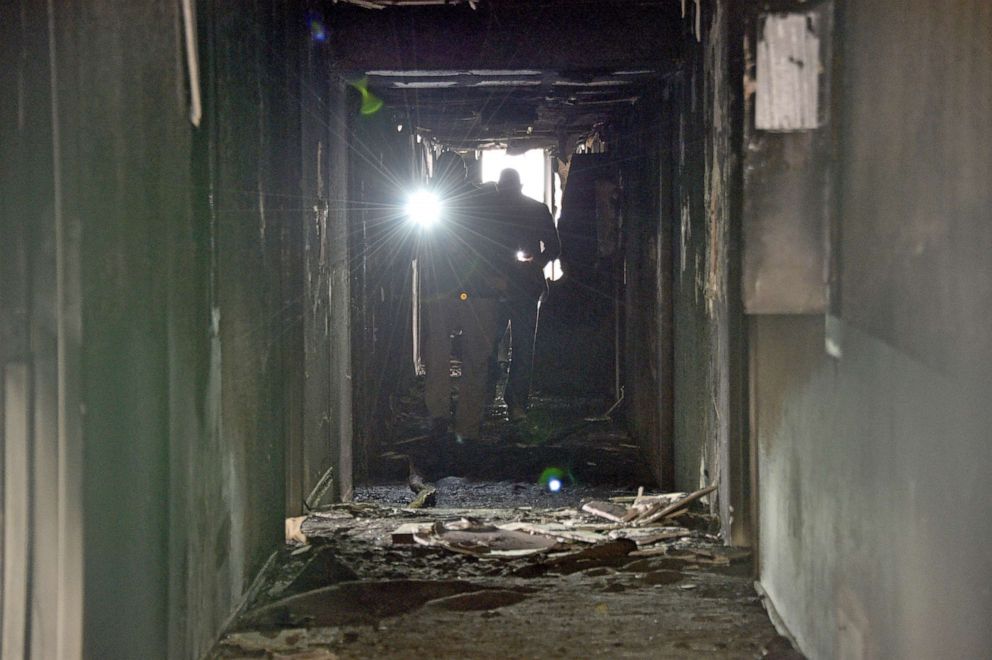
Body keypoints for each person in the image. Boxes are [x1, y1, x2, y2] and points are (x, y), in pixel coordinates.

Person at [419, 151, 508, 442]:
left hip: (458, 288)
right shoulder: (476, 202)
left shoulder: (437, 205)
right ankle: (458, 422)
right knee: (465, 357)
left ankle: (448, 420)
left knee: (449, 354)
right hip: (467, 289)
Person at [492, 168, 561, 421]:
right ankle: (515, 403)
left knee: (489, 343)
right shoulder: (536, 209)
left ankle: (486, 396)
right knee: (521, 347)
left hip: (498, 288)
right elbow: (554, 248)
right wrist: (536, 263)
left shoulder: (492, 211)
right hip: (523, 287)